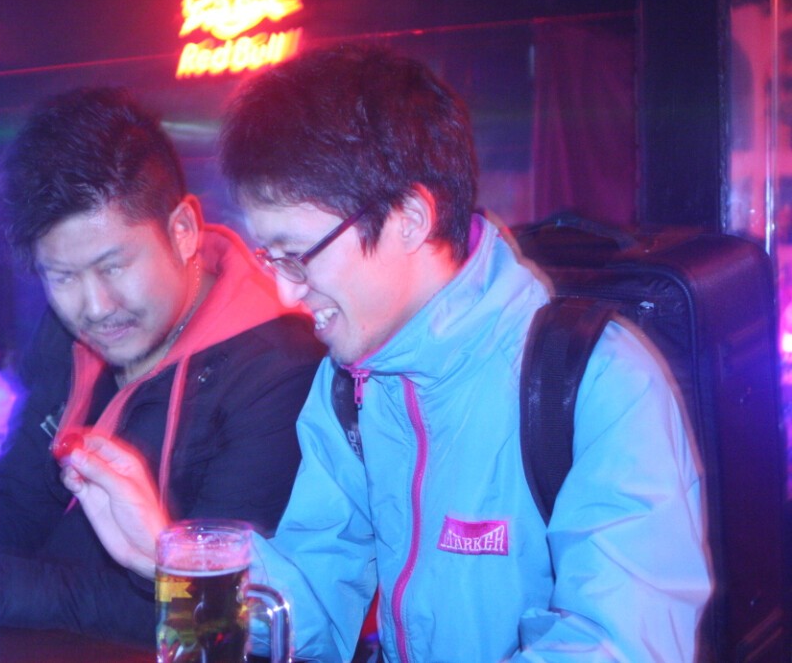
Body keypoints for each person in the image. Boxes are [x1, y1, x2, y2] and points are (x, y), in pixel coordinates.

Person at [62, 46, 712, 661]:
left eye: (298, 255)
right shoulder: (349, 390)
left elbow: (621, 644)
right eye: (271, 257)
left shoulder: (596, 382)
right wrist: (167, 558)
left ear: (409, 218)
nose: (286, 292)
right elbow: (311, 609)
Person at [0, 86, 324, 644]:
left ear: (182, 230)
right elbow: (22, 499)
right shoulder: (66, 335)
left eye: (113, 266)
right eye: (62, 277)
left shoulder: (278, 372)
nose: (95, 307)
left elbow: (216, 609)